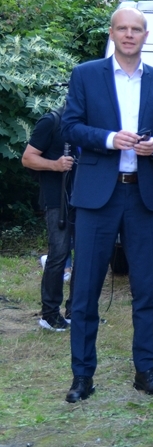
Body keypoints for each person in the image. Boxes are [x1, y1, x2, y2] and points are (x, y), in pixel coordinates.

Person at [60, 6, 153, 402]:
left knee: (147, 289)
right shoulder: (86, 74)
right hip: (98, 195)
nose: (130, 35)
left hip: (143, 195)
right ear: (112, 33)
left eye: (137, 29)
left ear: (146, 36)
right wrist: (110, 139)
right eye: (123, 28)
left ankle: (145, 370)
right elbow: (70, 126)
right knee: (85, 290)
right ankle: (82, 376)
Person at [22, 104, 77, 332]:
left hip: (85, 199)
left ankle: (76, 311)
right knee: (59, 254)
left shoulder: (86, 122)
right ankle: (50, 315)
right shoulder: (51, 121)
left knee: (86, 255)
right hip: (57, 199)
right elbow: (28, 158)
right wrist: (55, 165)